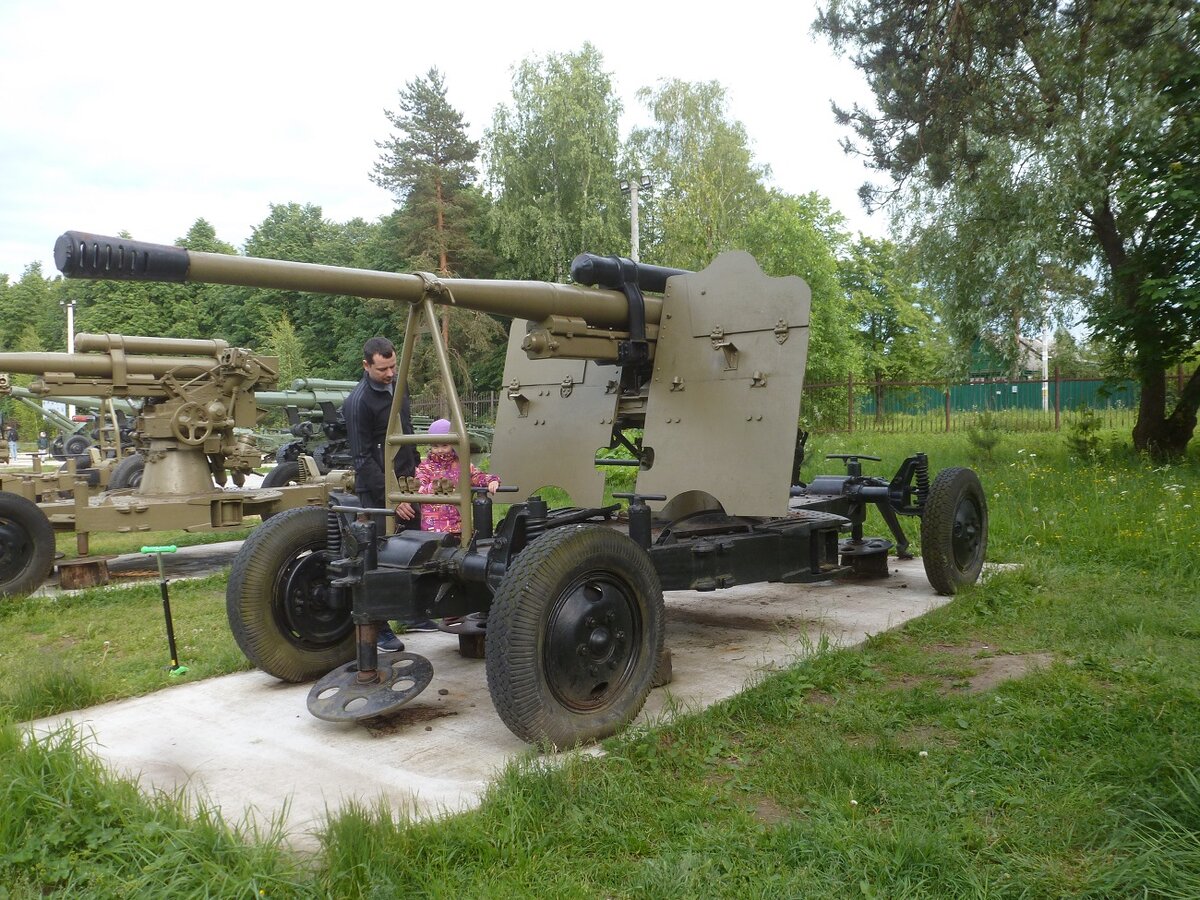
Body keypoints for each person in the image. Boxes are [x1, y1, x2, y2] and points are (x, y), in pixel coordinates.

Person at [342, 336, 437, 648]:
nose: (390, 373)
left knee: (415, 547)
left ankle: (412, 613)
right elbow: (362, 459)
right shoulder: (358, 403)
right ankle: (379, 626)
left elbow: (406, 432)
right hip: (379, 488)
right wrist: (393, 498)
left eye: (393, 366)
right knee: (379, 556)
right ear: (366, 365)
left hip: (407, 480)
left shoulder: (399, 385)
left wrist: (418, 473)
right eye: (383, 369)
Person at [415, 418, 500, 534]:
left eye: (444, 445)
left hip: (458, 528)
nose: (440, 450)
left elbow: (477, 476)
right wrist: (435, 487)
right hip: (431, 529)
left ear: (454, 444)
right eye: (435, 446)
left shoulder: (462, 465)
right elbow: (419, 487)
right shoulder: (425, 467)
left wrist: (491, 480)